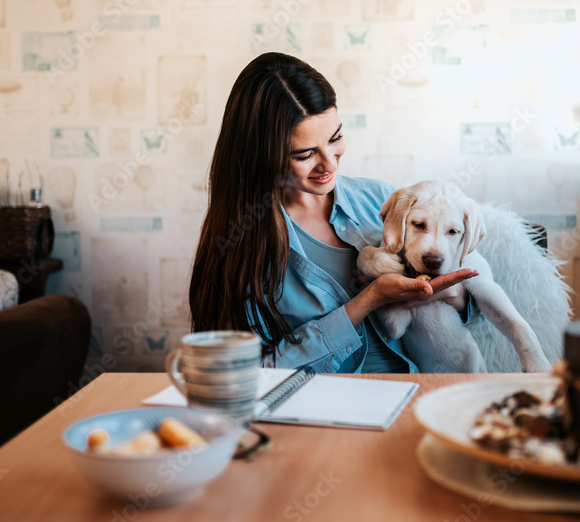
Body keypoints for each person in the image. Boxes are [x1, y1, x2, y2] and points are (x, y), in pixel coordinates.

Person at [189, 53, 480, 373]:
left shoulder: (381, 199)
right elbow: (255, 372)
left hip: (416, 391)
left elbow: (472, 312)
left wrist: (454, 295)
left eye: (335, 138)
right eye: (305, 154)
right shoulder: (243, 243)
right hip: (317, 406)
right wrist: (369, 300)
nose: (329, 164)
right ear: (263, 156)